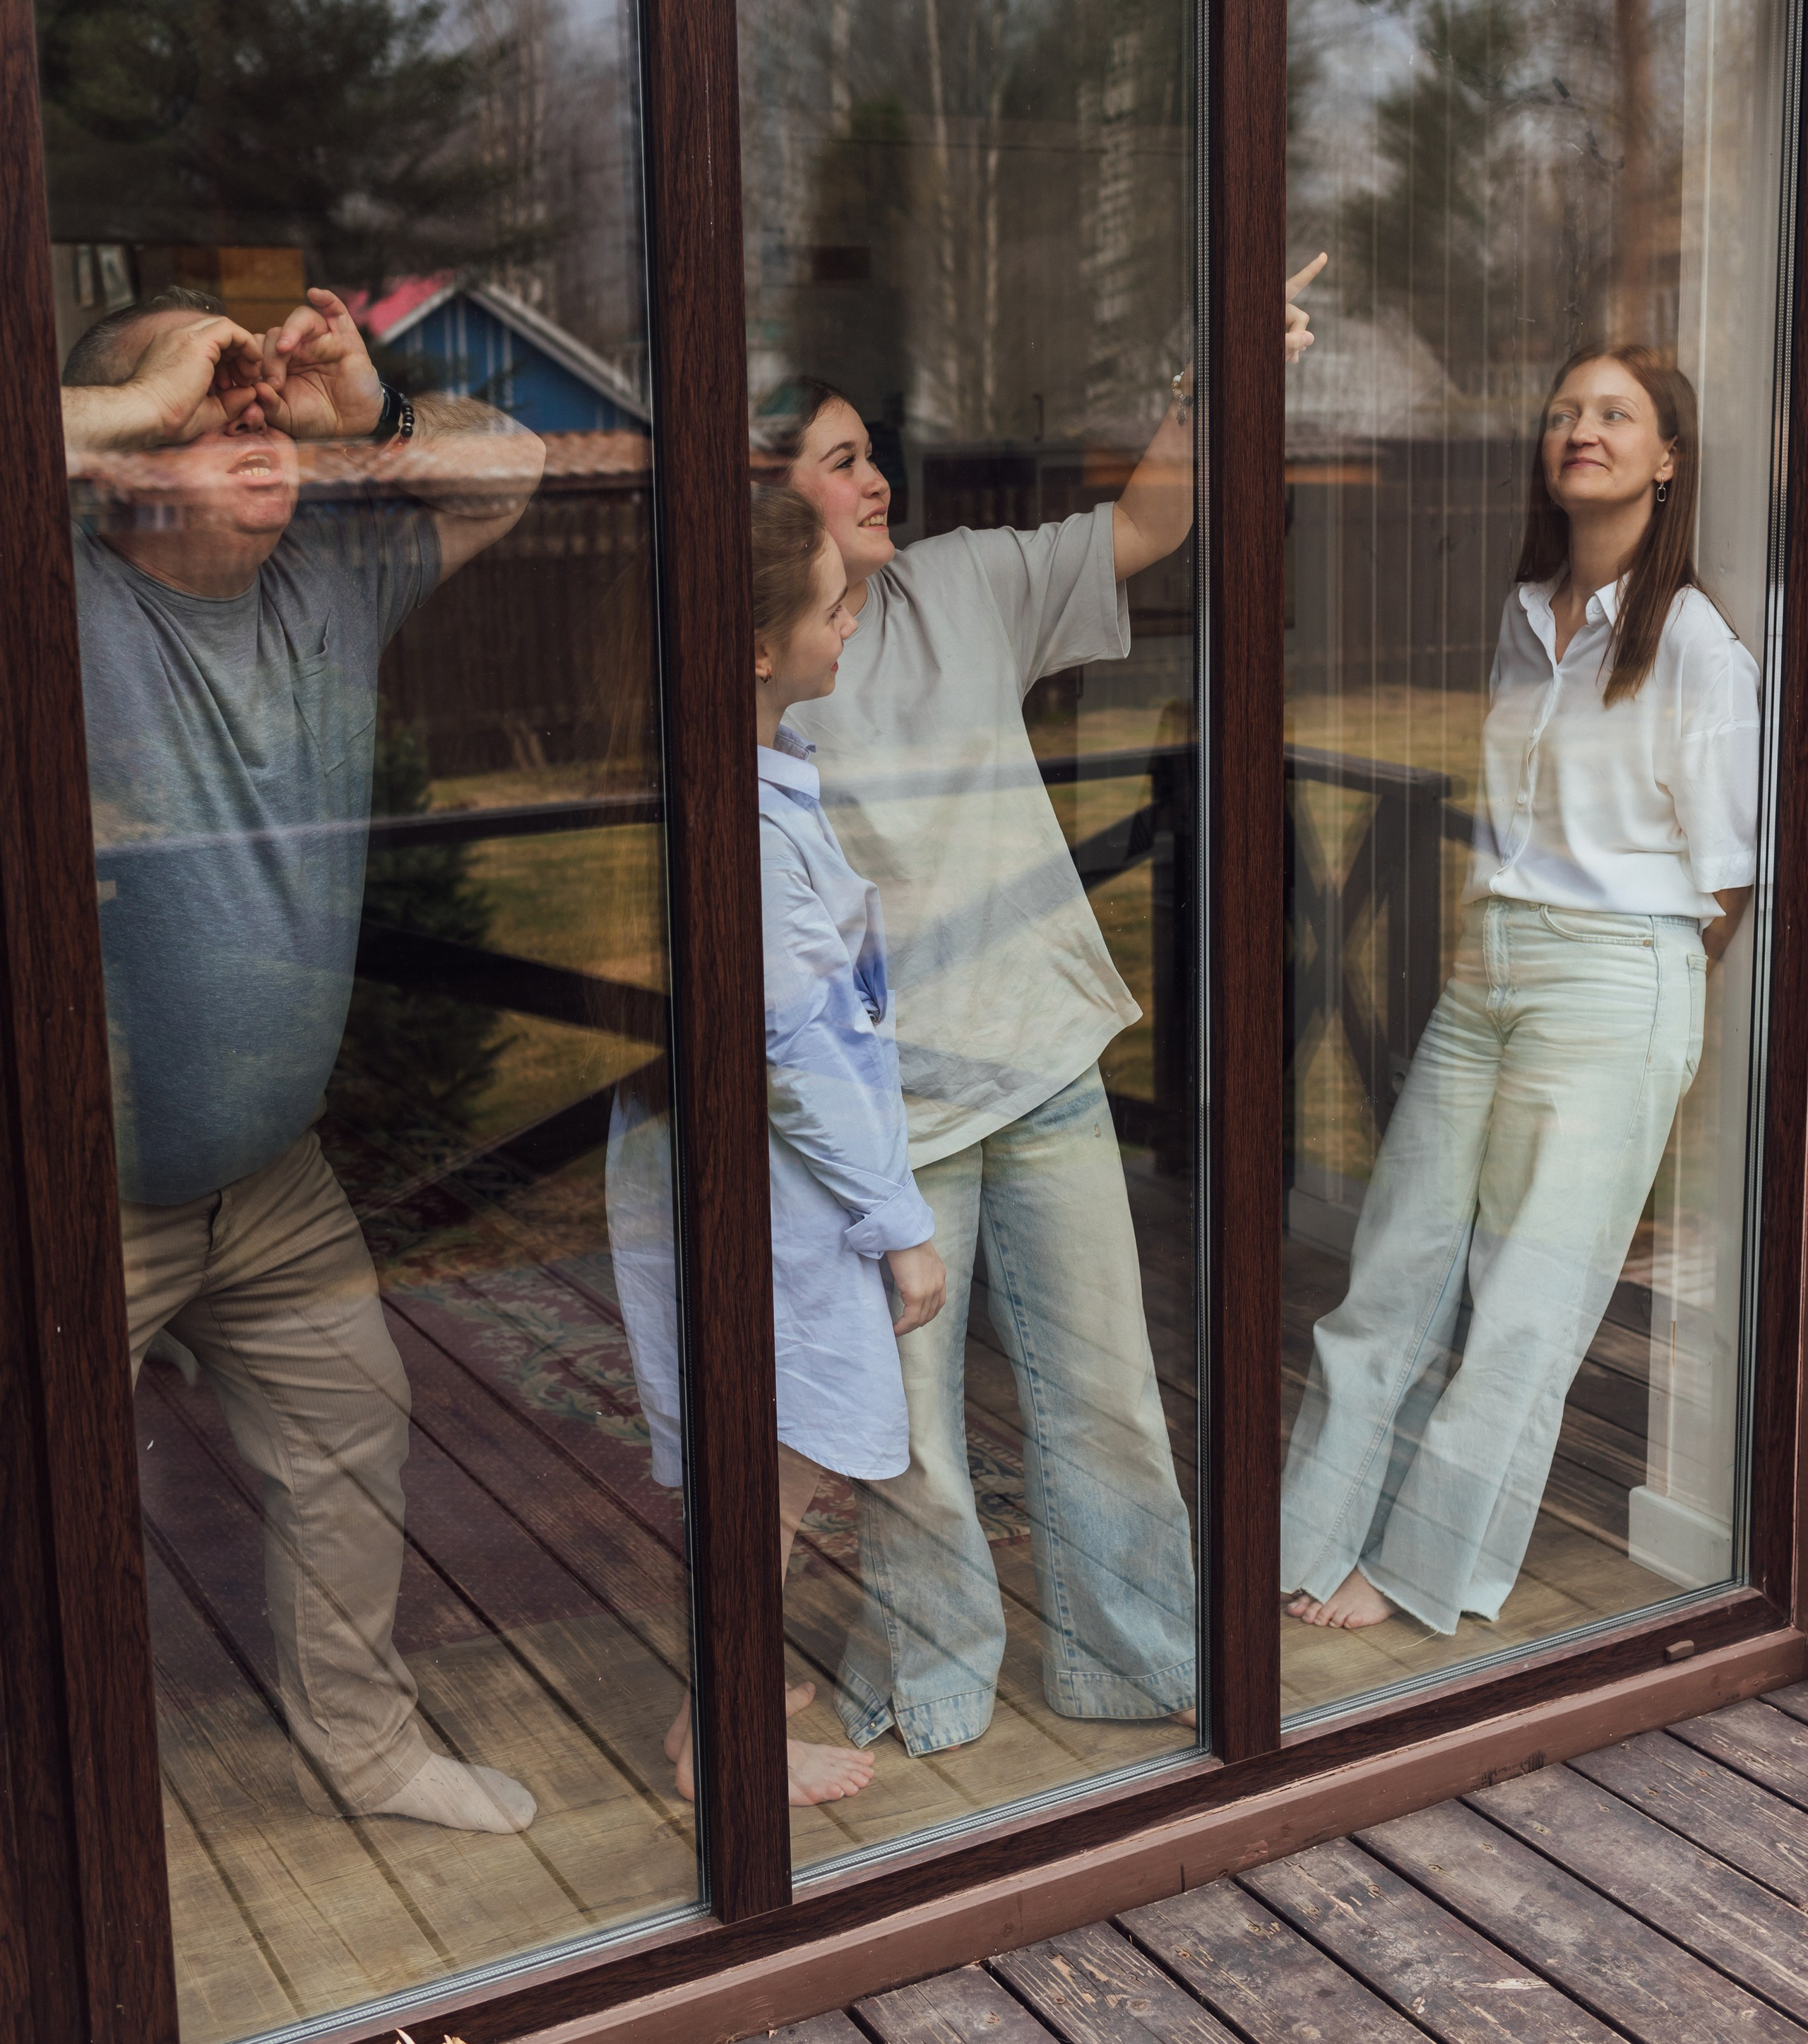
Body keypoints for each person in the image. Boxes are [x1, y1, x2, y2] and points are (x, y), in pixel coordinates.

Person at [763, 261, 1326, 1759]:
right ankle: (936, 1692)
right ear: (773, 504)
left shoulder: (960, 584)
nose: (875, 477)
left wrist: (1213, 378)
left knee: (1106, 1399)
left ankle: (1135, 1662)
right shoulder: (765, 670)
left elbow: (1149, 518)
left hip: (1046, 1067)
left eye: (867, 449)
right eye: (839, 463)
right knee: (912, 1449)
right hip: (894, 1129)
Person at [65, 283, 549, 1832]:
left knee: (353, 1439)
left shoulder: (327, 577)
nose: (247, 409)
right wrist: (139, 411)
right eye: (202, 401)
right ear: (114, 454)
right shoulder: (57, 598)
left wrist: (370, 414)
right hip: (79, 1196)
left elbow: (518, 467)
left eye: (253, 389)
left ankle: (369, 1750)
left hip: (273, 1181)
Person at [1282, 346, 1758, 1639]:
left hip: (1613, 979)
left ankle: (1421, 1569)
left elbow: (1728, 881)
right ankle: (1308, 1533)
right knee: (1392, 1269)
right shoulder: (1526, 613)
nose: (1580, 430)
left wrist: (1626, 1006)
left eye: (1614, 415)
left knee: (1523, 1311)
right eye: (1563, 413)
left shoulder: (1700, 648)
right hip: (1487, 967)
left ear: (1668, 461)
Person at [612, 488, 948, 1805]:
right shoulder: (745, 824)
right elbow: (805, 1050)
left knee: (765, 1456)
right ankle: (722, 1741)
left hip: (734, 1170)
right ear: (758, 648)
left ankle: (730, 1678)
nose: (855, 611)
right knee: (778, 1470)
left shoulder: (740, 774)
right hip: (780, 1194)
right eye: (833, 603)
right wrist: (902, 1228)